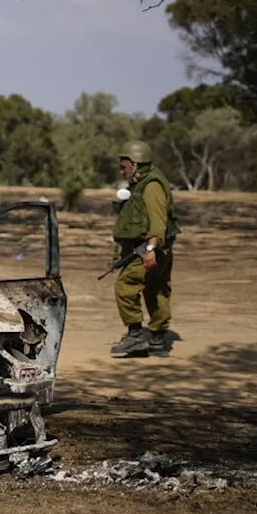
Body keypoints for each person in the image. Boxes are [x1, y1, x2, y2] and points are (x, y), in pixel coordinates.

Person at [109, 140, 176, 357]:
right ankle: (157, 338)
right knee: (155, 289)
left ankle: (136, 335)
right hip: (151, 248)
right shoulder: (141, 184)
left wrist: (150, 248)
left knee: (125, 286)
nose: (122, 171)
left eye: (124, 166)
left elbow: (158, 221)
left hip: (148, 248)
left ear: (136, 165)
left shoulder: (151, 187)